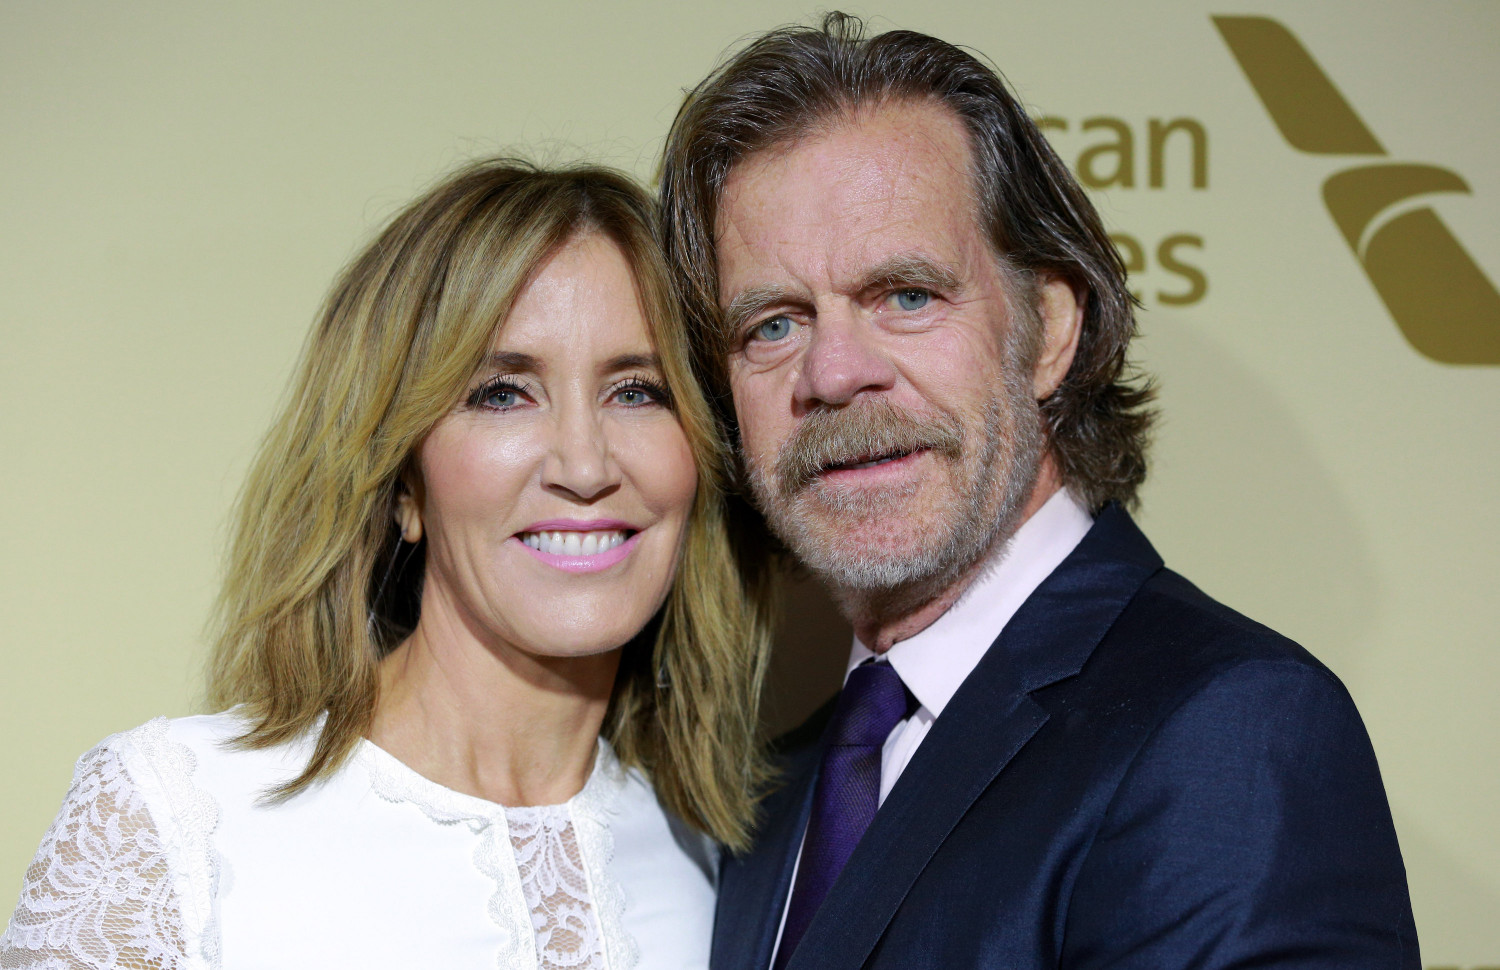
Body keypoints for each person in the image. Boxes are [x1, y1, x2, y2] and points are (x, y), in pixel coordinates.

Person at [658, 14, 1419, 970]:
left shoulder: (1228, 732)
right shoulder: (765, 797)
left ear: (1049, 329)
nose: (835, 371)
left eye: (906, 295)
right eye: (773, 325)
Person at [0, 159, 773, 970]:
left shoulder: (722, 868)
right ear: (403, 479)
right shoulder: (175, 818)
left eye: (638, 392)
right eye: (503, 393)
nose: (584, 466)